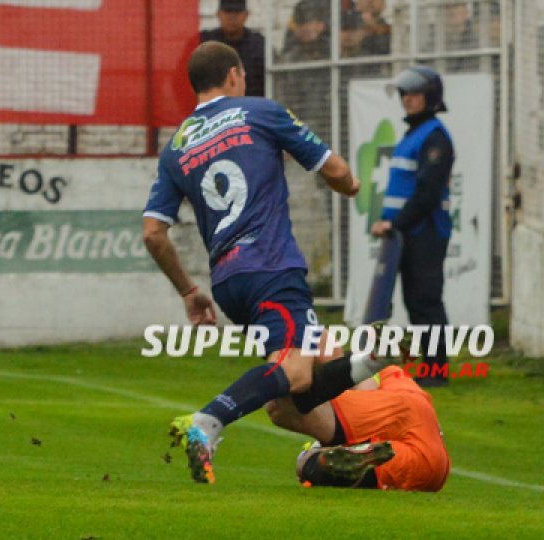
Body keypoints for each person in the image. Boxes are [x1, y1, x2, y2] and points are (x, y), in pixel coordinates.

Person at [144, 41, 401, 484]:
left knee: (324, 354)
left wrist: (189, 292)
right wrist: (353, 186)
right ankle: (209, 421)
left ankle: (352, 445)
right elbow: (337, 171)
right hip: (271, 267)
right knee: (297, 372)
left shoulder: (176, 147)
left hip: (229, 281)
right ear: (233, 75)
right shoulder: (260, 112)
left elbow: (153, 233)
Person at [369, 66, 454, 387]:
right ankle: (430, 366)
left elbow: (427, 193)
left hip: (425, 232)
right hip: (408, 234)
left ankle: (436, 370)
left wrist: (395, 222)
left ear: (430, 97)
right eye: (404, 93)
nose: (407, 99)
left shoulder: (435, 137)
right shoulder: (415, 133)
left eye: (414, 93)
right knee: (415, 302)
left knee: (426, 301)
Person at [267, 365, 450, 491]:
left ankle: (319, 458)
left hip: (398, 411)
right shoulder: (395, 375)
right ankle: (335, 457)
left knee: (280, 407)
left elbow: (365, 387)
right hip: (434, 464)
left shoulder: (373, 377)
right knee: (318, 464)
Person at [200, 0, 266, 97]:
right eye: (228, 12)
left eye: (237, 12)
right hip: (213, 104)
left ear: (246, 14)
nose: (232, 17)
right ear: (218, 14)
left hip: (251, 103)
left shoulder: (260, 45)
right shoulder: (204, 43)